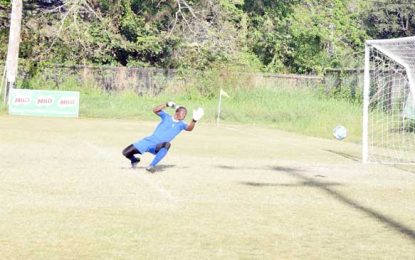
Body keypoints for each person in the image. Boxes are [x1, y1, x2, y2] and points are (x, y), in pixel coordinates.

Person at [122, 101, 204, 173]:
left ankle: (151, 166)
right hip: (148, 141)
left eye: (185, 114)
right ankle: (135, 160)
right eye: (183, 113)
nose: (184, 116)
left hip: (158, 146)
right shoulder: (166, 117)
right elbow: (155, 110)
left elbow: (189, 128)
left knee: (167, 144)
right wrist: (167, 104)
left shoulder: (181, 124)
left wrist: (194, 120)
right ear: (176, 112)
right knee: (125, 152)